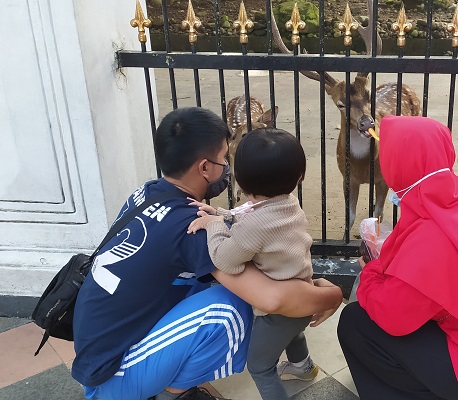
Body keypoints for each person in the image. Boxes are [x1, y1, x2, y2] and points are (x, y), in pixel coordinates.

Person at [71, 107, 343, 400]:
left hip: (97, 353)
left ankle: (165, 382)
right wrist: (333, 295)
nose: (228, 166)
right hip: (113, 380)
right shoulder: (191, 227)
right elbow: (273, 298)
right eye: (224, 158)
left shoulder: (148, 192)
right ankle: (171, 394)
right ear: (205, 168)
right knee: (233, 305)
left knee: (223, 284)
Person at [337, 116, 458, 400]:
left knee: (355, 322)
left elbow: (392, 317)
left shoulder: (433, 237)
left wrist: (371, 272)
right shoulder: (450, 193)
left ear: (397, 164)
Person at [187, 128, 318, 400]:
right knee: (292, 333)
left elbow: (226, 260)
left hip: (278, 312)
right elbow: (248, 217)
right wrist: (221, 215)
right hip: (303, 295)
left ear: (242, 184)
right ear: (299, 176)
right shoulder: (288, 202)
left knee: (259, 366)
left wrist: (213, 227)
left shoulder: (256, 224)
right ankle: (302, 366)